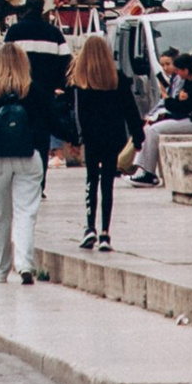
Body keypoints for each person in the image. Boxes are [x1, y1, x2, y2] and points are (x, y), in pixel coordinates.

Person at [0, 35, 47, 288]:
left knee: (1, 214)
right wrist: (72, 137)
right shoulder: (32, 89)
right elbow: (49, 121)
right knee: (26, 212)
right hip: (28, 156)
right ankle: (25, 264)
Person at [67, 29, 136, 252]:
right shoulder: (117, 79)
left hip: (91, 137)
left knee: (91, 179)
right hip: (113, 136)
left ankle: (90, 228)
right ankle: (106, 232)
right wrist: (138, 135)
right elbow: (130, 109)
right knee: (108, 183)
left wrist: (75, 138)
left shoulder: (81, 81)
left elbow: (76, 113)